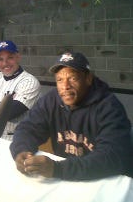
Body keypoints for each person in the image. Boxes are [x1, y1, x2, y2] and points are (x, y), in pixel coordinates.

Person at [10, 51, 133, 180]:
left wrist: (58, 169)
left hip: (106, 181)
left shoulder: (109, 106)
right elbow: (27, 128)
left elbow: (112, 156)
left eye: (73, 78)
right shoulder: (51, 100)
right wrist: (21, 150)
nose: (66, 86)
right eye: (60, 80)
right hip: (70, 178)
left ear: (88, 79)